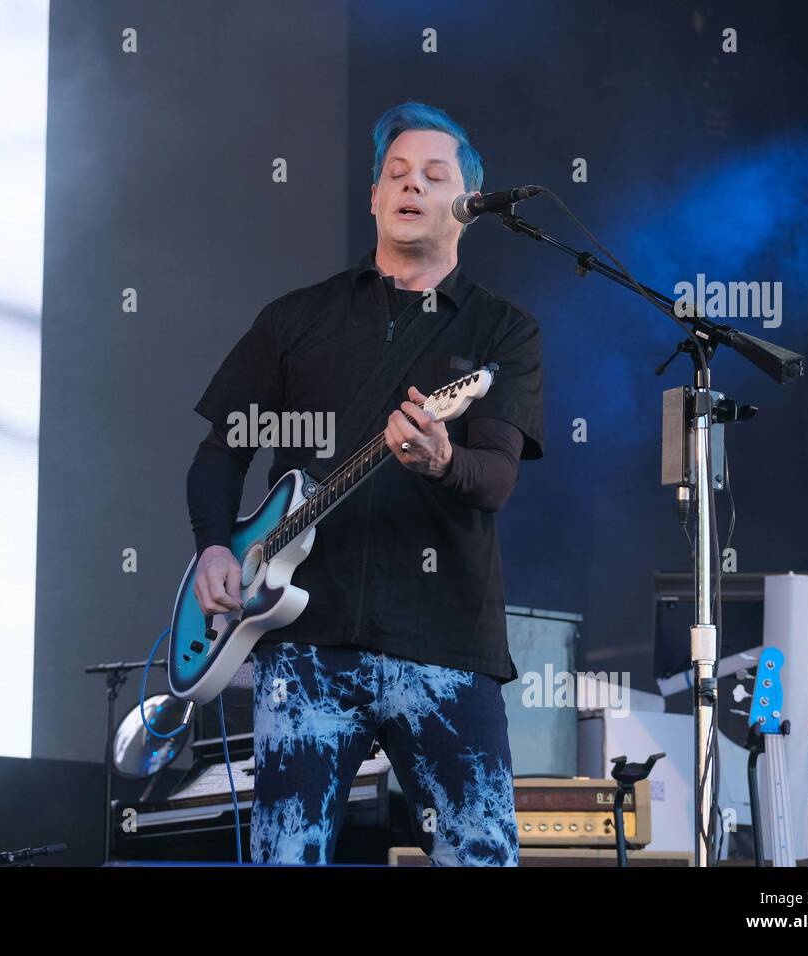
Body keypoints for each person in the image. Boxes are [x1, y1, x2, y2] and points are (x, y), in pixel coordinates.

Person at [186, 102, 544, 865]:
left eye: (434, 175)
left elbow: (496, 479)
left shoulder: (501, 332)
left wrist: (443, 460)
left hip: (447, 643)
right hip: (306, 648)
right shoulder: (295, 320)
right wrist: (215, 548)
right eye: (396, 174)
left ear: (468, 205)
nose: (411, 185)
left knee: (479, 854)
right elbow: (220, 453)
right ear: (374, 199)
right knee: (286, 857)